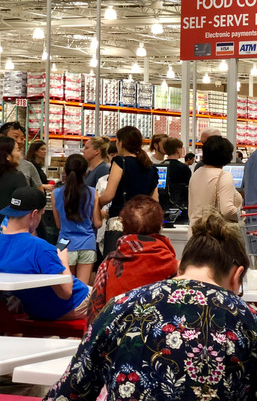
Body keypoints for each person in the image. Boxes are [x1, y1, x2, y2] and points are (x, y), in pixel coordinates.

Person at [44, 210, 257, 400]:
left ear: (180, 266)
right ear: (237, 276)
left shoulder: (120, 306)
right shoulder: (251, 319)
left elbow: (70, 391)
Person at [0, 187, 90, 320]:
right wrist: (63, 259)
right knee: (111, 297)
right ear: (34, 214)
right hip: (71, 305)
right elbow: (66, 292)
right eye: (41, 215)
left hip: (34, 309)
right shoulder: (40, 248)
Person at [87, 195, 178, 324]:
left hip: (117, 338)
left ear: (123, 226)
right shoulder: (173, 266)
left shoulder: (109, 264)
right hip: (159, 339)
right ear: (159, 226)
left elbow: (95, 313)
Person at [99, 126, 159, 256]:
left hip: (121, 223)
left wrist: (95, 204)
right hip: (143, 224)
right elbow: (155, 201)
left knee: (116, 266)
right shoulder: (150, 167)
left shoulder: (120, 162)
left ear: (120, 143)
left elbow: (108, 195)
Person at [52, 154, 102, 285]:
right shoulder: (92, 192)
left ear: (65, 171)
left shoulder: (55, 193)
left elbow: (58, 225)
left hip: (65, 244)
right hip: (87, 244)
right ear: (85, 173)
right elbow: (97, 223)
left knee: (66, 286)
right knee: (83, 289)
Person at [188, 136, 243, 235]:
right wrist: (244, 215)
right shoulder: (224, 176)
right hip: (214, 236)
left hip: (194, 233)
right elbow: (227, 210)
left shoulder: (196, 173)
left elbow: (191, 208)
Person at [0, 122, 43, 190]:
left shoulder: (28, 166)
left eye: (22, 138)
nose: (20, 141)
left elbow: (39, 193)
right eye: (16, 137)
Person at [0, 137, 27, 224]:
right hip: (8, 227)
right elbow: (24, 207)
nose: (20, 154)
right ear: (7, 156)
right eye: (17, 150)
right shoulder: (17, 177)